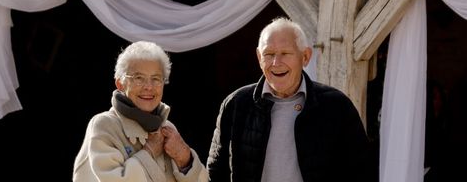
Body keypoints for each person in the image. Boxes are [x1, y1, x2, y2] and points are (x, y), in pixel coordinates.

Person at [207, 17, 376, 182]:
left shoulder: (337, 106)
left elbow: (361, 172)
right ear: (259, 58)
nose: (276, 62)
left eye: (285, 53)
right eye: (269, 54)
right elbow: (216, 172)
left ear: (305, 57)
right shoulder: (236, 104)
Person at [73, 40, 208, 182]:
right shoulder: (105, 125)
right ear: (120, 84)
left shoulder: (168, 129)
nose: (148, 87)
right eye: (139, 78)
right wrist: (148, 152)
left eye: (156, 79)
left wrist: (185, 159)